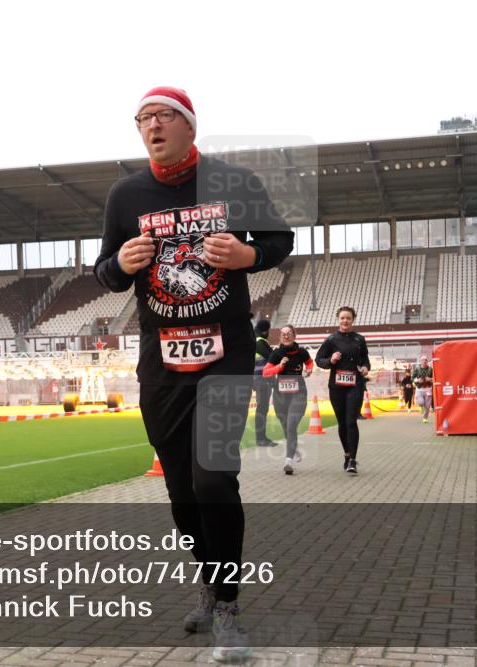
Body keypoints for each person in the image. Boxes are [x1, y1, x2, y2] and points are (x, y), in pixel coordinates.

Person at [93, 86, 293, 662]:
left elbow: (279, 239)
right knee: (181, 490)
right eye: (142, 119)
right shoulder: (125, 194)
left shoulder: (233, 182)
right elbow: (105, 271)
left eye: (162, 116)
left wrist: (248, 256)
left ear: (188, 124)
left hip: (225, 355)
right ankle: (208, 583)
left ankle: (228, 606)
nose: (151, 126)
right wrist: (119, 264)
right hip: (161, 363)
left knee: (212, 480)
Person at [314, 306, 370, 475]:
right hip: (337, 387)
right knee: (342, 423)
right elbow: (319, 360)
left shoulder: (360, 339)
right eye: (342, 318)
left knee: (351, 421)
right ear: (338, 319)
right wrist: (330, 360)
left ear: (353, 319)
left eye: (349, 318)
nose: (345, 321)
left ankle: (353, 459)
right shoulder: (331, 339)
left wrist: (366, 368)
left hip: (355, 385)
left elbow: (365, 359)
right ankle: (346, 453)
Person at [261, 324, 313, 475]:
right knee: (286, 425)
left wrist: (308, 370)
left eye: (289, 333)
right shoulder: (277, 353)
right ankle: (293, 448)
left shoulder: (302, 352)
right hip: (280, 395)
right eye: (283, 333)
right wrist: (279, 366)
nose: (286, 335)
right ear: (280, 337)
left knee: (291, 425)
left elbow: (309, 362)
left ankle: (288, 461)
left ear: (294, 335)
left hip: (298, 393)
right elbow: (266, 372)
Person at [252, 319, 278, 447]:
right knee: (262, 409)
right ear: (265, 330)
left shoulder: (255, 340)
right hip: (261, 379)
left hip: (256, 378)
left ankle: (261, 438)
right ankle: (261, 439)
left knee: (262, 409)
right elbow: (272, 357)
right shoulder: (260, 342)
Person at [413, 355, 434, 423]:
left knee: (427, 406)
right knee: (421, 402)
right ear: (420, 361)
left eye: (425, 360)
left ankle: (425, 418)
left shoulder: (430, 369)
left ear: (427, 361)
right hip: (419, 389)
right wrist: (417, 380)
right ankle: (421, 406)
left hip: (428, 389)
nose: (424, 361)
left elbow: (436, 378)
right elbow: (412, 378)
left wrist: (430, 379)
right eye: (423, 360)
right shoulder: (417, 369)